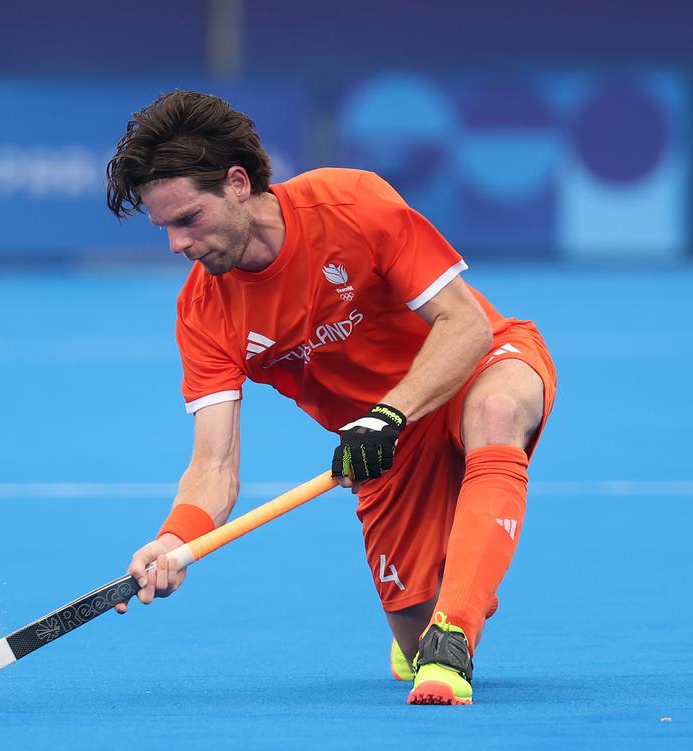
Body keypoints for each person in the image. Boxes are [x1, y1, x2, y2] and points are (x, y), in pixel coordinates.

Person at [104, 90, 556, 705]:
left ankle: (458, 629)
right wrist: (174, 539)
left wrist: (389, 413)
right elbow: (213, 466)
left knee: (497, 412)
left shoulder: (352, 202)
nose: (177, 245)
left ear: (238, 183)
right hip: (380, 451)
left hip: (467, 369)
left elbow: (465, 324)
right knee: (412, 641)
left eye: (188, 220)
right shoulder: (203, 313)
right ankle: (442, 610)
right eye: (165, 228)